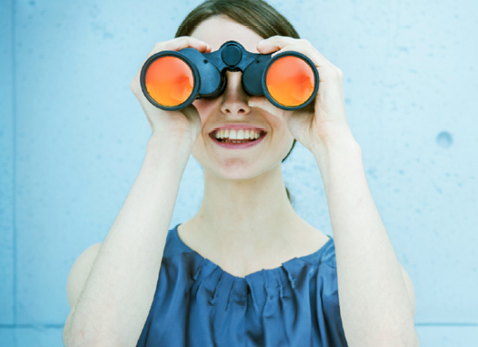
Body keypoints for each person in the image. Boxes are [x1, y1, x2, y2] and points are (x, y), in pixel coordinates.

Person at [62, 0, 418, 345]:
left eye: (257, 81)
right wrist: (168, 141)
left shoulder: (366, 283)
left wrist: (335, 143)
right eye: (207, 81)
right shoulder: (103, 270)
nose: (234, 105)